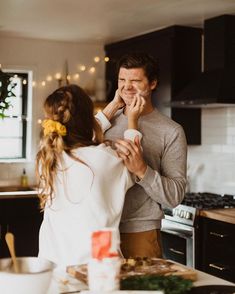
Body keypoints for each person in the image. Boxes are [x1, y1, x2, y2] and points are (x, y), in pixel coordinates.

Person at [36, 84, 145, 267]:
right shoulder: (104, 158)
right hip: (95, 268)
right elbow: (132, 155)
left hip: (54, 267)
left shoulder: (47, 157)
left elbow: (75, 134)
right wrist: (133, 119)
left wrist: (111, 107)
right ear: (88, 119)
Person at [101, 52, 187, 258]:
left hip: (140, 231)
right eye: (122, 80)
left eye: (135, 81)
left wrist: (142, 170)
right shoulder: (105, 122)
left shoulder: (171, 131)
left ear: (153, 83)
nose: (126, 86)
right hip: (100, 228)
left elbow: (175, 196)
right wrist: (110, 109)